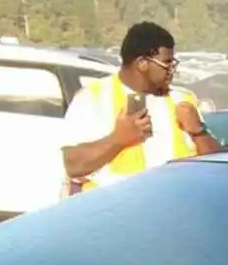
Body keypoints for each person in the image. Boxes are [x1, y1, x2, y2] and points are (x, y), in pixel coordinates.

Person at [61, 21, 215, 193]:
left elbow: (218, 167)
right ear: (142, 63)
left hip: (175, 209)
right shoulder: (93, 98)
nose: (172, 70)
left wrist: (198, 131)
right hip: (116, 212)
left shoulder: (182, 99)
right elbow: (73, 165)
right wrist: (118, 139)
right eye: (167, 63)